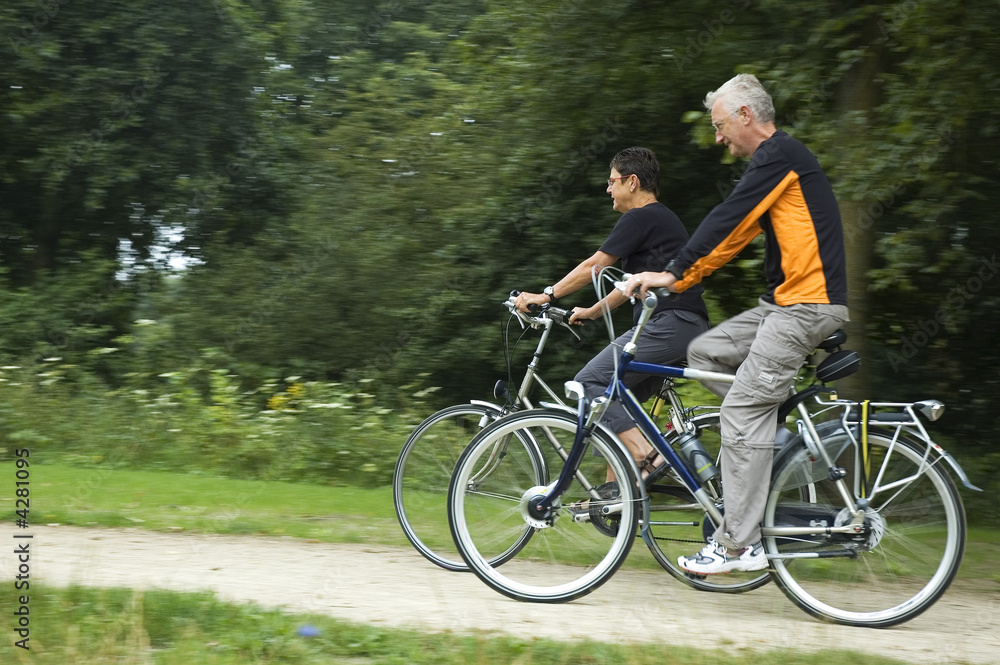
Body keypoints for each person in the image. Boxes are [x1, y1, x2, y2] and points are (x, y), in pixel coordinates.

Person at [624, 73, 849, 575]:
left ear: (746, 115)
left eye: (721, 126)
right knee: (706, 352)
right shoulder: (778, 163)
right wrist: (680, 278)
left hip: (806, 306)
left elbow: (731, 218)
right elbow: (735, 234)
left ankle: (737, 545)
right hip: (785, 305)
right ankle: (769, 451)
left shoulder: (779, 156)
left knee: (741, 413)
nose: (719, 137)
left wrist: (674, 272)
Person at [516, 146, 709, 479]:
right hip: (683, 325)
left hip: (670, 323)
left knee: (589, 383)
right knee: (610, 403)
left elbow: (595, 265)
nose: (608, 189)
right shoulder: (659, 219)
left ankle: (650, 460)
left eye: (612, 181)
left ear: (632, 182)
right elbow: (629, 286)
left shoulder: (641, 216)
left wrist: (546, 295)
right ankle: (614, 498)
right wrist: (592, 311)